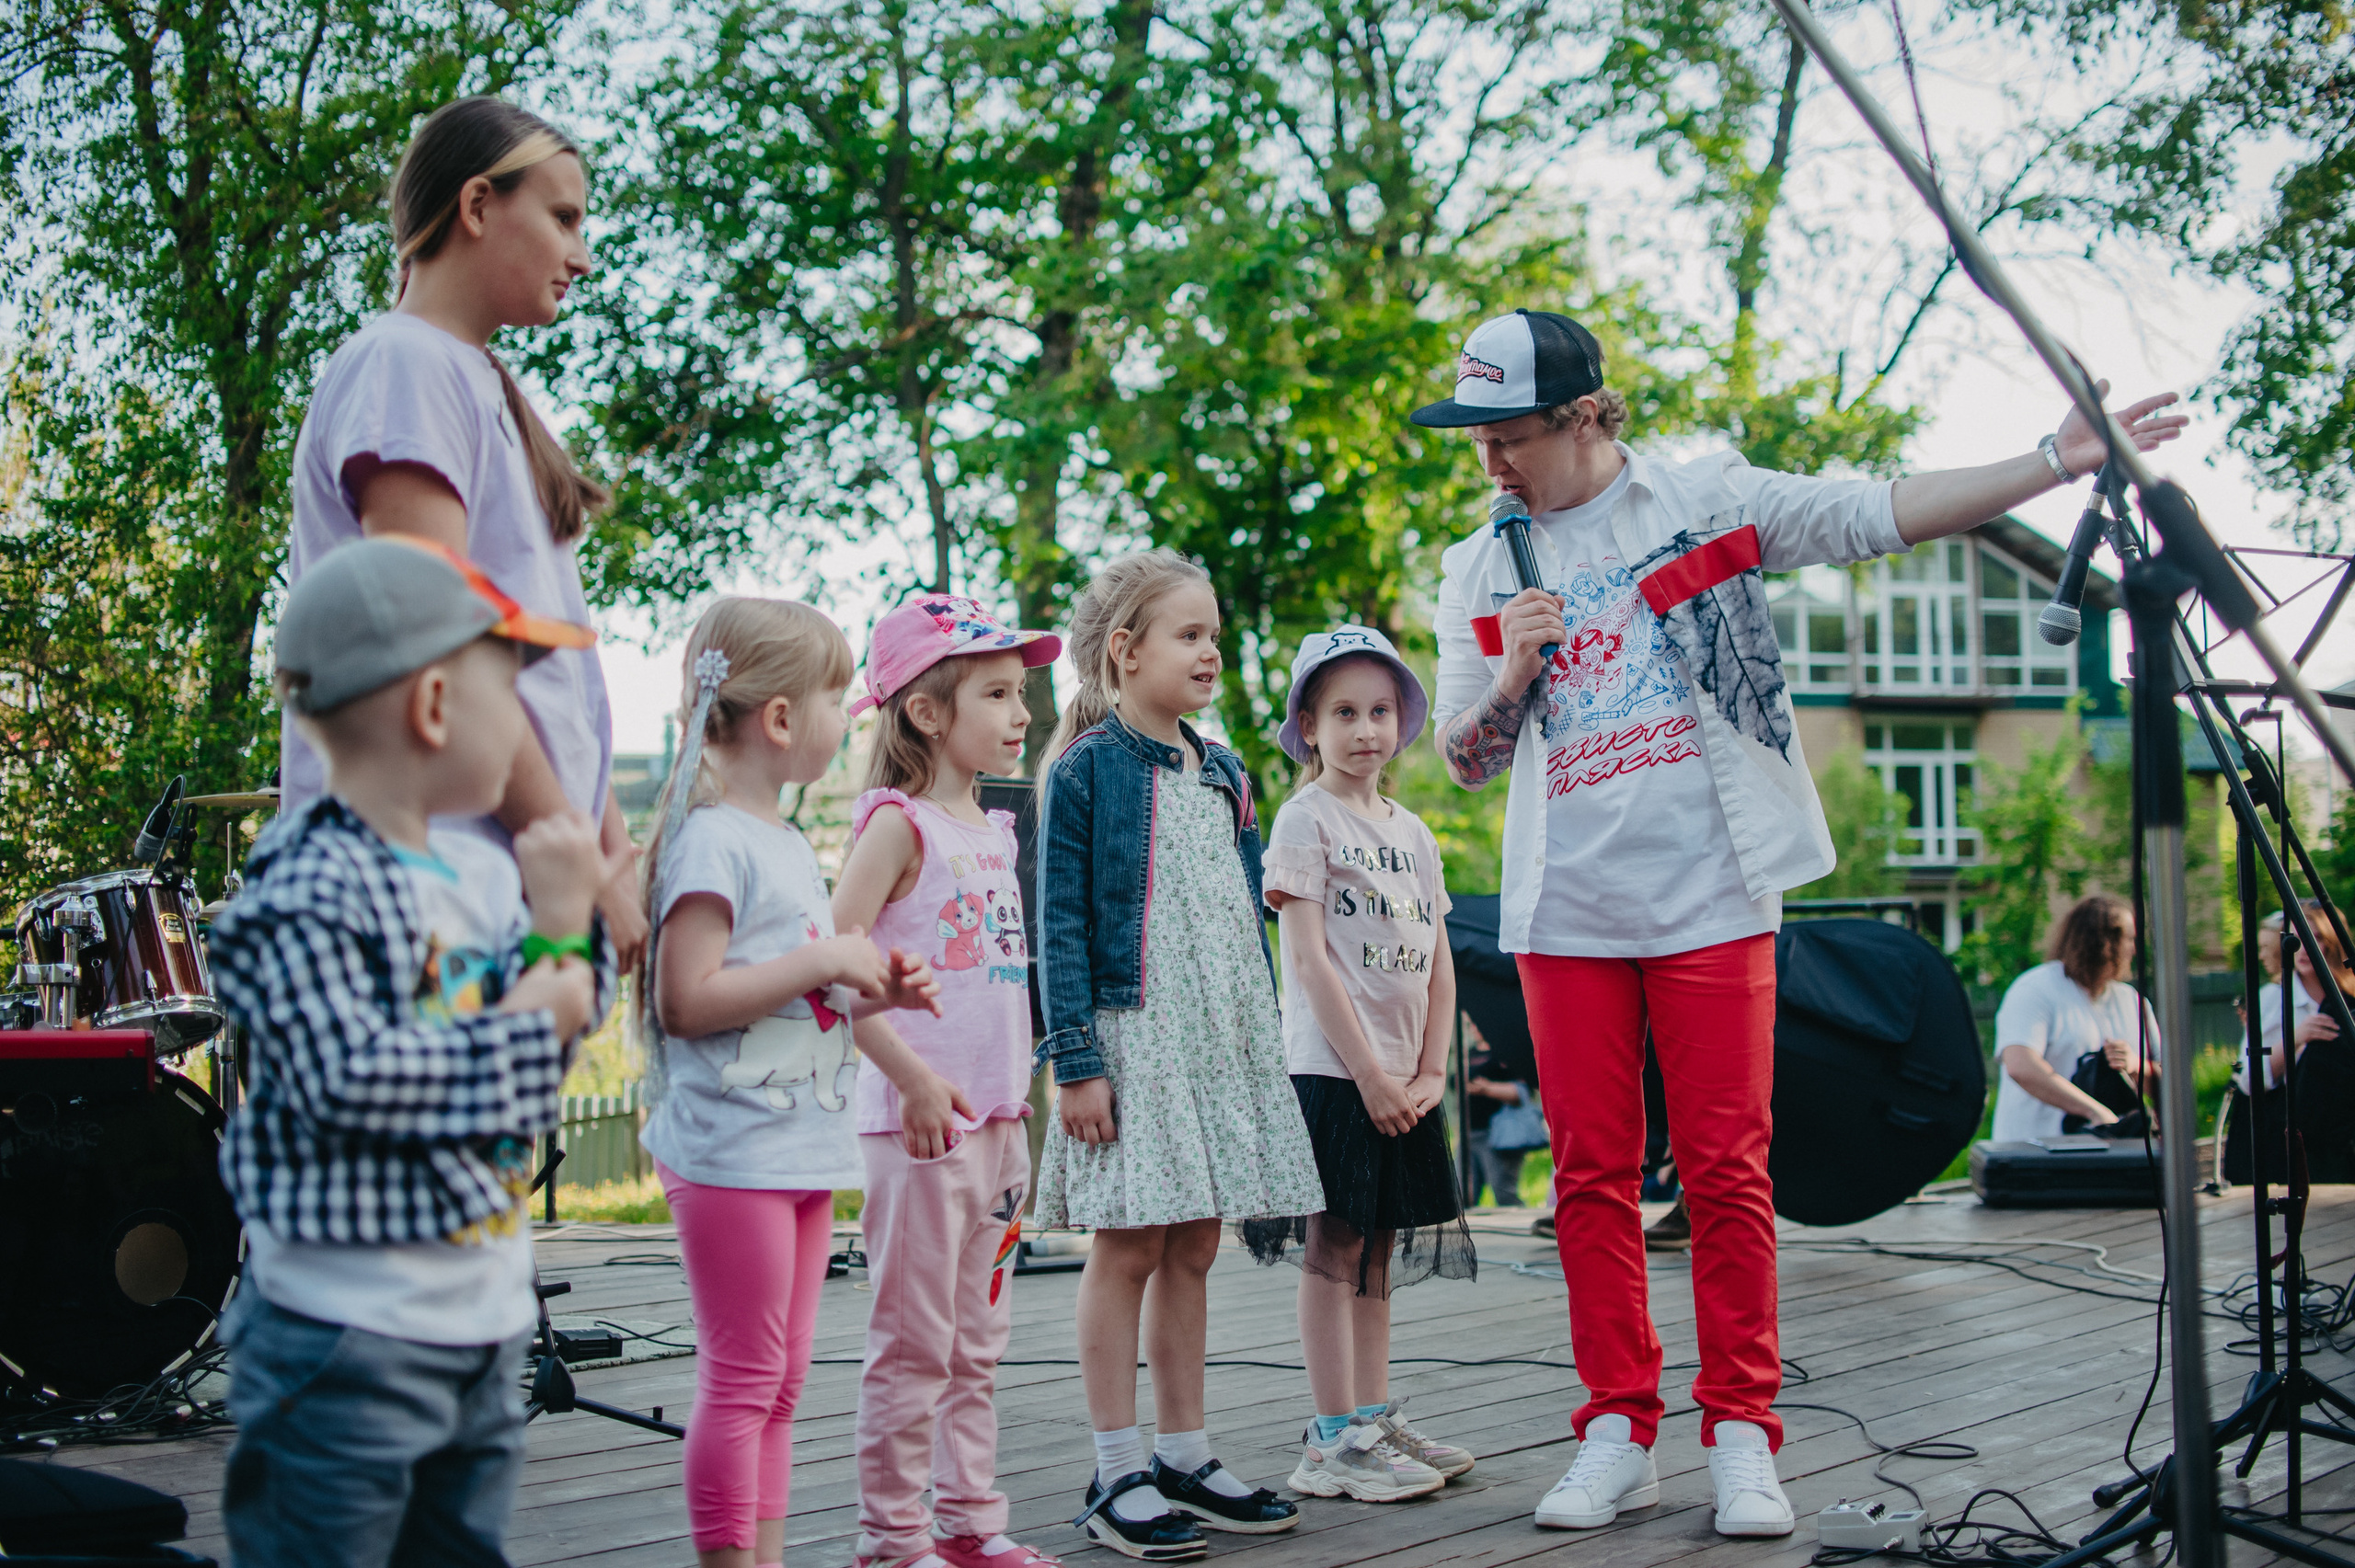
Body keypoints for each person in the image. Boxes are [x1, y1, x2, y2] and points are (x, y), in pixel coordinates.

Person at [1417, 307, 2187, 1538]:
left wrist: (2053, 459)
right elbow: (1461, 758)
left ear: (1582, 417)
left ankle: (1739, 1433)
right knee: (1594, 1177)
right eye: (1479, 441)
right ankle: (1619, 1429)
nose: (1491, 464)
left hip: (1714, 889)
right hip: (1565, 908)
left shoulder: (1698, 495)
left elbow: (1865, 511)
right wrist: (1510, 675)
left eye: (1510, 437)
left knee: (1727, 1170)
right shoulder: (1478, 564)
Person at [209, 537, 614, 1568]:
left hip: (476, 1320)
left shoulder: (479, 877)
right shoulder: (305, 888)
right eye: (510, 702)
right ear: (434, 707)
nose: (529, 734)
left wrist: (568, 927)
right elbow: (357, 1079)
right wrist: (538, 1001)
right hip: (345, 1335)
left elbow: (555, 1031)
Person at [281, 95, 648, 968]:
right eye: (562, 218)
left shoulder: (473, 386)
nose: (582, 257)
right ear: (479, 206)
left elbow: (556, 670)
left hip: (491, 875)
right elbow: (431, 634)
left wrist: (605, 849)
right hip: (416, 876)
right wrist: (571, 848)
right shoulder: (404, 364)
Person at [636, 598, 947, 1568]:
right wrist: (825, 962)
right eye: (833, 696)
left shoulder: (778, 842)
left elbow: (796, 986)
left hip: (793, 1148)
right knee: (741, 1378)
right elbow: (686, 998)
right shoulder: (713, 840)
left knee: (779, 1379)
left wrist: (871, 978)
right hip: (730, 1152)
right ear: (778, 719)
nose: (849, 713)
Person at [1032, 550, 1324, 1561]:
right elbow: (1060, 926)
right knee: (1131, 1243)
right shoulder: (1084, 770)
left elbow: (1241, 915)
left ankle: (1183, 1453)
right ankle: (1116, 1468)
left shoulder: (1225, 768)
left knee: (1195, 1243)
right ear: (1126, 650)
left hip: (1215, 1040)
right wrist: (1074, 1059)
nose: (1211, 650)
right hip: (1132, 1038)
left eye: (1212, 633)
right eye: (1188, 634)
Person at [830, 595, 1067, 1568]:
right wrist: (915, 1080)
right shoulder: (897, 824)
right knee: (913, 1345)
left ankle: (970, 1523)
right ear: (928, 712)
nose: (1021, 713)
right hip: (920, 1130)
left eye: (1024, 693)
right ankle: (891, 1539)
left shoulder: (995, 828)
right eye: (1000, 694)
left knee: (978, 1345)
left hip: (1000, 1128)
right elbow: (832, 963)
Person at [1244, 626, 1476, 1505]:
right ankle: (1331, 1436)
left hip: (1401, 1078)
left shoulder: (1412, 830)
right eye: (1344, 712)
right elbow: (1307, 960)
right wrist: (1372, 1077)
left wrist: (1427, 1070)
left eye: (1380, 711)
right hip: (1335, 1073)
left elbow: (1438, 957)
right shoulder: (1307, 818)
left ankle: (1373, 1417)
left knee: (1378, 1250)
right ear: (1309, 724)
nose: (1365, 729)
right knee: (1333, 1245)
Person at [1991, 895, 2161, 1143]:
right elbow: (2020, 1066)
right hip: (2037, 1156)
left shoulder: (2132, 1002)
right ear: (2103, 941)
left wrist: (2136, 1066)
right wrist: (2094, 1110)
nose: (2135, 949)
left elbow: (2170, 1087)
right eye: (2129, 939)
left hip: (2116, 1158)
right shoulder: (2035, 989)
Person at [1463, 1016, 1536, 1208]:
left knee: (1503, 1191)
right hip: (1470, 1133)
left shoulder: (1506, 1053)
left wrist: (1487, 1088)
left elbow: (1521, 1093)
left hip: (1499, 1134)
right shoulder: (1468, 1054)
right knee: (1462, 1192)